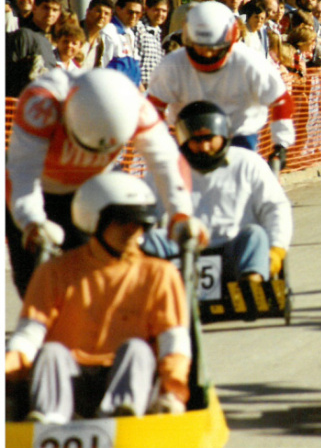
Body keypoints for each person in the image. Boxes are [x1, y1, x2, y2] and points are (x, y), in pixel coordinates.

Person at [6, 171, 191, 424]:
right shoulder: (55, 271)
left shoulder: (160, 273)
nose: (133, 232)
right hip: (70, 379)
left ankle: (122, 417)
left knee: (137, 349)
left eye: (140, 224)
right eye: (123, 222)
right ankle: (48, 422)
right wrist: (9, 366)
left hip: (127, 380)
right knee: (50, 352)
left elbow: (174, 341)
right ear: (95, 221)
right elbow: (30, 334)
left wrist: (173, 391)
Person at [5, 68, 201, 298]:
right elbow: (21, 174)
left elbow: (167, 162)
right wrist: (32, 222)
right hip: (37, 186)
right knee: (33, 288)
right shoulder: (40, 103)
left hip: (91, 187)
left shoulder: (136, 108)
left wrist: (181, 214)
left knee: (100, 272)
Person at [142, 101, 292, 285]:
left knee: (255, 235)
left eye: (209, 139)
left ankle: (251, 286)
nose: (203, 147)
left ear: (224, 136)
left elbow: (275, 208)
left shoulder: (248, 163)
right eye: (196, 140)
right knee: (150, 239)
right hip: (180, 253)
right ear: (182, 139)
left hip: (233, 252)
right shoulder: (165, 169)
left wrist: (276, 249)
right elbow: (146, 214)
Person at [147, 0, 296, 162]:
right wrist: (158, 144)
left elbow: (280, 100)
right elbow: (154, 106)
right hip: (190, 134)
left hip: (239, 134)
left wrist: (281, 144)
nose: (207, 53)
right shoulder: (173, 64)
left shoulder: (250, 62)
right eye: (200, 45)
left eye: (214, 46)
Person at [6, 0, 62, 97]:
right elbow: (11, 76)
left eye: (55, 10)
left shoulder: (47, 41)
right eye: (46, 7)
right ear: (34, 8)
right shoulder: (24, 35)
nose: (50, 13)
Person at [99, 0, 144, 81]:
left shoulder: (130, 33)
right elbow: (102, 66)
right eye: (130, 12)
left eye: (138, 13)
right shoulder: (108, 32)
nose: (134, 16)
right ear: (118, 9)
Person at [136, 0, 169, 89]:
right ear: (147, 9)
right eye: (156, 10)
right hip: (139, 89)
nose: (160, 14)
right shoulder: (138, 29)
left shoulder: (157, 33)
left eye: (164, 11)